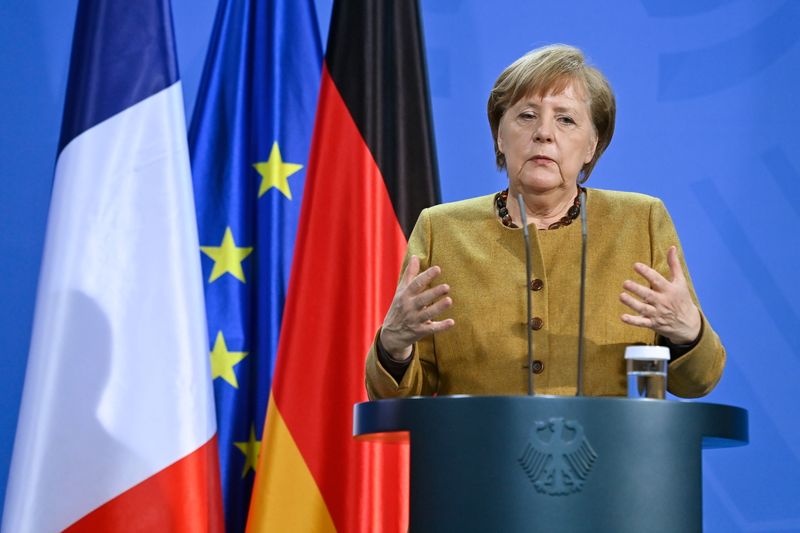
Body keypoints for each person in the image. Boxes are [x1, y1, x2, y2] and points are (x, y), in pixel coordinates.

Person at [365, 44, 725, 399]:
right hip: (480, 439)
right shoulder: (441, 230)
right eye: (527, 115)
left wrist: (687, 330)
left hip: (608, 439)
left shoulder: (640, 222)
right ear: (500, 136)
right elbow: (395, 396)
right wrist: (394, 344)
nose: (544, 133)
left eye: (565, 119)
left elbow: (698, 381)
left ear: (591, 146)